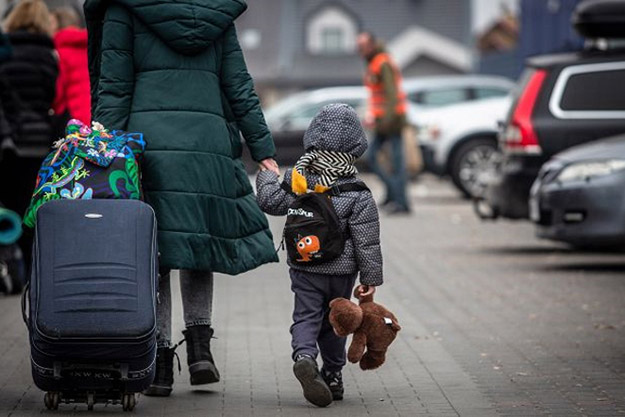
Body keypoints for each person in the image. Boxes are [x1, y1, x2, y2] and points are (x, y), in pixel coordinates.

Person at [83, 0, 279, 397]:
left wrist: (101, 150)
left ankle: (159, 362)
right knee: (195, 246)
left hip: (148, 148)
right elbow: (238, 85)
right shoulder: (216, 15)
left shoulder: (125, 11)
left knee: (155, 253)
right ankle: (200, 350)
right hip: (205, 149)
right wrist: (263, 149)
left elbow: (115, 87)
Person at [256, 104, 383, 407]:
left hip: (305, 265)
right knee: (336, 321)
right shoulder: (357, 191)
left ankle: (304, 357)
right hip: (341, 272)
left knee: (306, 316)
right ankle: (334, 376)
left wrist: (267, 176)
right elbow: (367, 240)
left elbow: (269, 202)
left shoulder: (299, 180)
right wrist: (370, 279)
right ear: (356, 144)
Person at [0, 0, 58, 268]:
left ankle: (14, 261)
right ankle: (34, 263)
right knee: (32, 203)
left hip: (10, 138)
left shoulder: (5, 50)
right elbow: (52, 97)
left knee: (10, 202)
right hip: (38, 139)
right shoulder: (47, 54)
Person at [357, 31, 410, 214]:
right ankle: (393, 196)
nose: (360, 50)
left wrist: (386, 120)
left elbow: (392, 95)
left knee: (392, 162)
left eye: (362, 46)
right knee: (382, 160)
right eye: (359, 47)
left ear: (371, 45)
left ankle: (401, 202)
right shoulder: (374, 62)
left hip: (392, 120)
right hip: (384, 120)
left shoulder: (382, 62)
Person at [51, 7, 90, 124]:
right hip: (95, 111)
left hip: (74, 117)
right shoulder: (89, 47)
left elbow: (59, 91)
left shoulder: (60, 53)